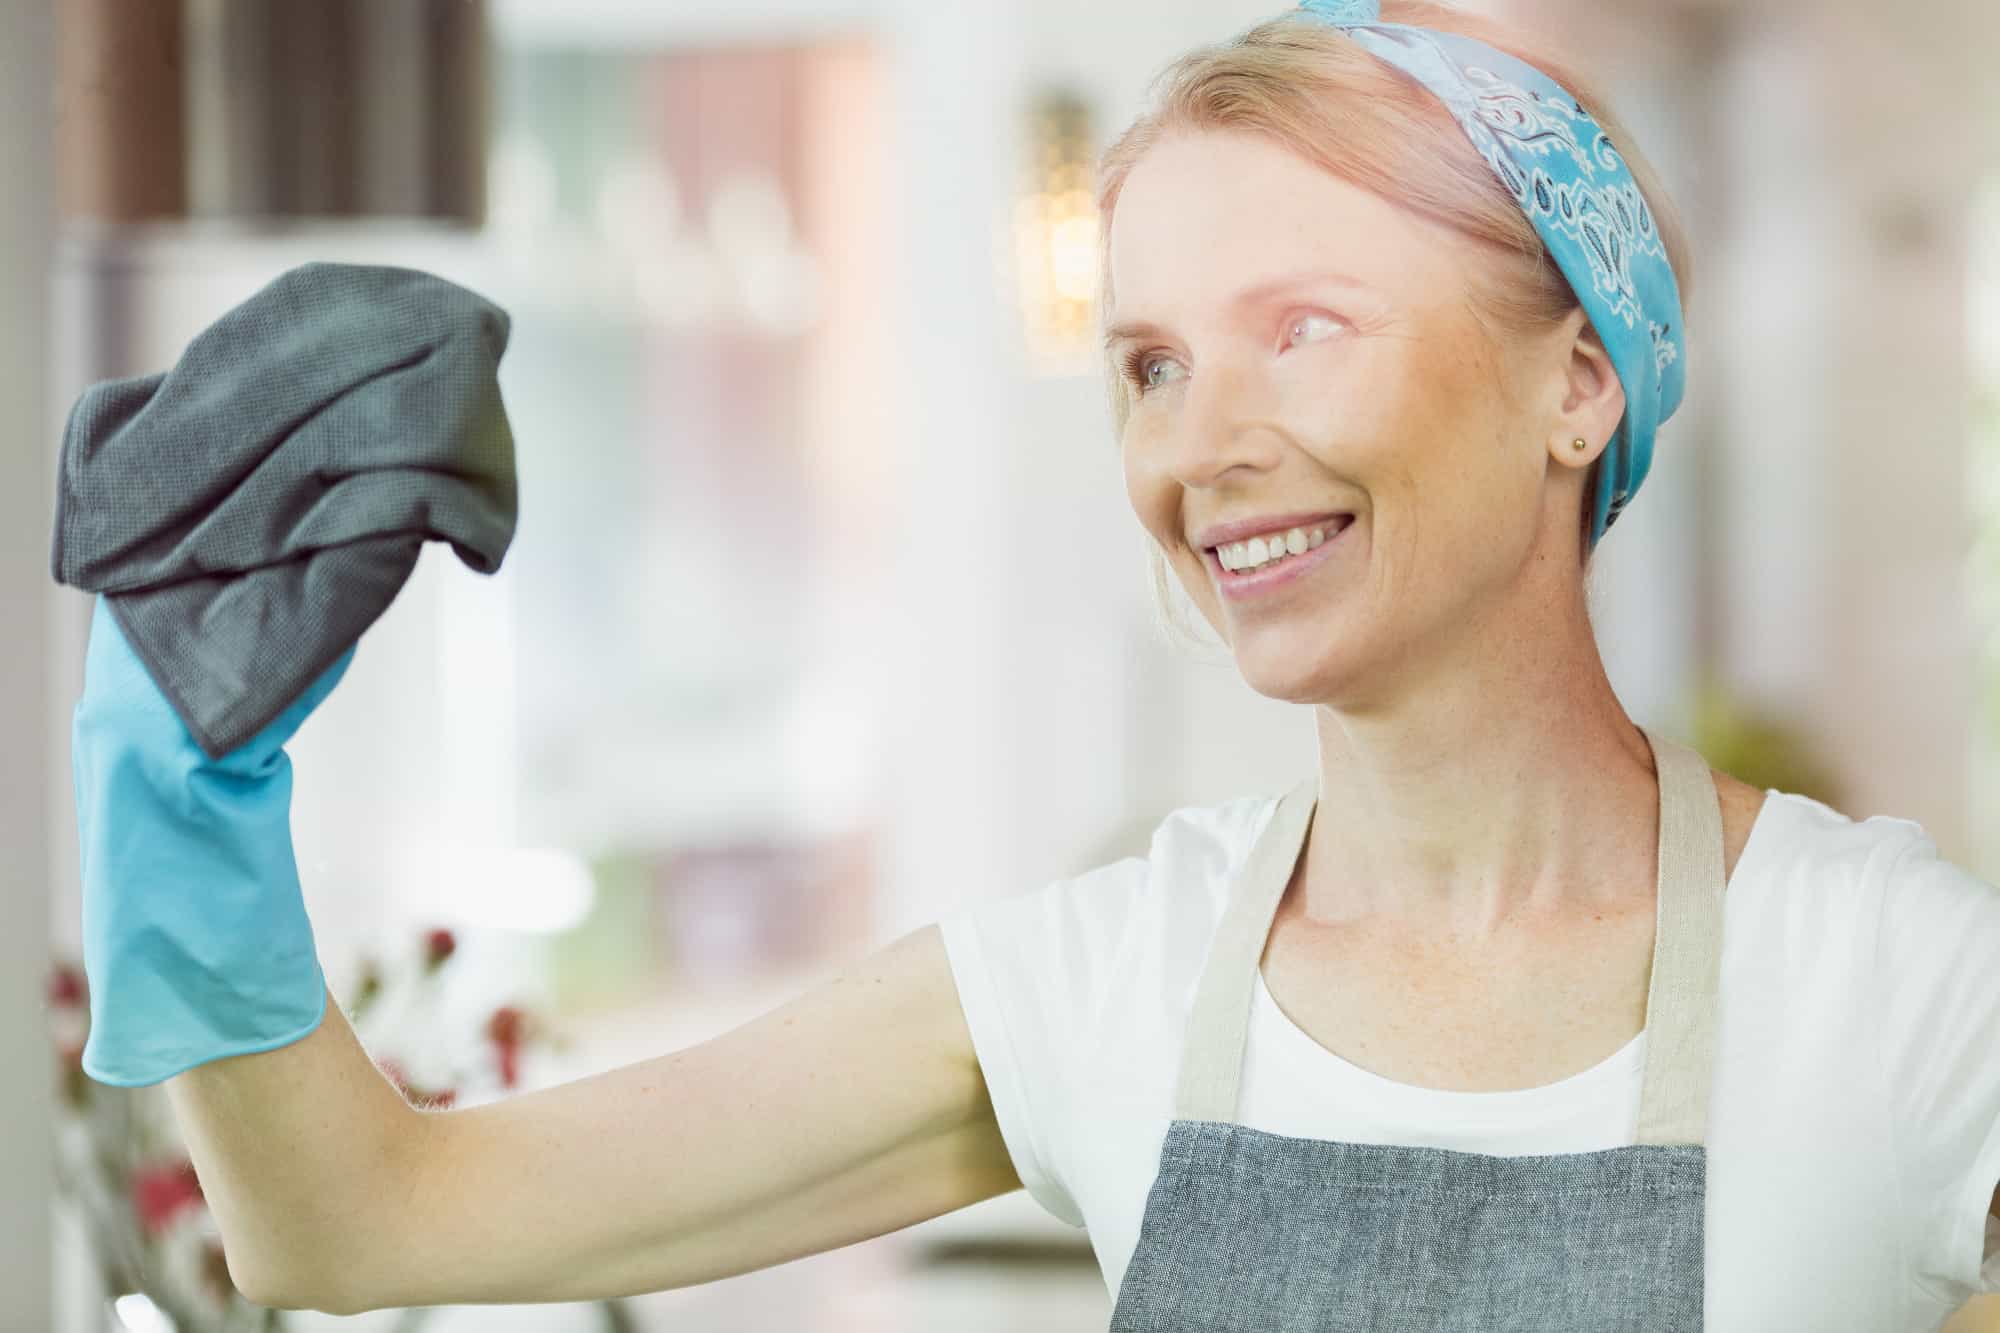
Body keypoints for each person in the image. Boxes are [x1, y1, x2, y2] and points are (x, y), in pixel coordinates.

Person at [90, 0, 1998, 1327]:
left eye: (1304, 326)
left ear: (1577, 379)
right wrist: (180, 784)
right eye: (1151, 362)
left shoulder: (1894, 980)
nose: (1195, 440)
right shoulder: (1114, 979)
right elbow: (350, 1219)